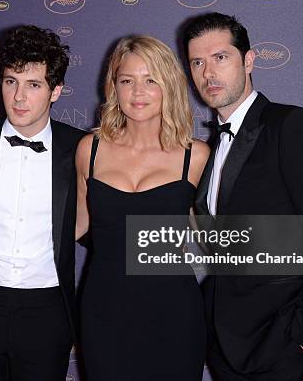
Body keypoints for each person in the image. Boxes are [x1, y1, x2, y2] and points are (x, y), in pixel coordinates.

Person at [182, 12, 303, 380]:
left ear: (248, 60)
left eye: (221, 58)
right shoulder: (213, 147)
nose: (208, 73)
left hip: (281, 345)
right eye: (198, 62)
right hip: (225, 344)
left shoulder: (290, 126)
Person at [0, 25, 85, 380]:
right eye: (11, 82)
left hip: (47, 311)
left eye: (33, 85)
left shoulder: (82, 149)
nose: (19, 97)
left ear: (56, 91)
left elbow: (107, 222)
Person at [75, 35, 210, 380]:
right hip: (104, 310)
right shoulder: (88, 150)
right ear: (113, 88)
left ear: (169, 86)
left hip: (174, 313)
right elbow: (75, 229)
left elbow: (217, 240)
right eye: (127, 81)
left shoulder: (195, 156)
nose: (138, 92)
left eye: (151, 80)